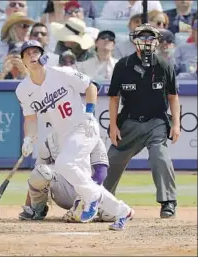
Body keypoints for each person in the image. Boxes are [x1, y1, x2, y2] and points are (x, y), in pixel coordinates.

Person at [15, 39, 134, 231]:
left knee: (63, 164)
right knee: (83, 180)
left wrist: (89, 112)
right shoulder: (23, 90)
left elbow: (91, 86)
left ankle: (92, 198)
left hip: (83, 126)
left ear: (43, 55)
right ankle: (123, 211)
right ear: (23, 61)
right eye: (27, 53)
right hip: (64, 135)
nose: (32, 55)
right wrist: (29, 138)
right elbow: (30, 119)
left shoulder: (62, 72)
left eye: (36, 51)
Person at [103, 24, 181, 219]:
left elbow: (173, 96)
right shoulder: (123, 65)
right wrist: (113, 126)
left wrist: (177, 124)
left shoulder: (164, 65)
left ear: (156, 41)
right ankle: (101, 199)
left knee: (159, 154)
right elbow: (114, 98)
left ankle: (168, 202)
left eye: (150, 37)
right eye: (142, 37)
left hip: (156, 121)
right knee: (112, 159)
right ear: (134, 40)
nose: (146, 41)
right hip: (129, 121)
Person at [18, 129, 111, 222]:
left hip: (88, 191)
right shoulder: (50, 139)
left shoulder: (93, 138)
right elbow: (37, 173)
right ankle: (37, 210)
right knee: (41, 171)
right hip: (62, 190)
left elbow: (101, 173)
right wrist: (30, 206)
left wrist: (86, 198)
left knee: (109, 215)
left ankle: (89, 209)